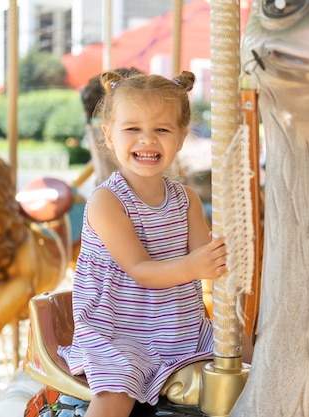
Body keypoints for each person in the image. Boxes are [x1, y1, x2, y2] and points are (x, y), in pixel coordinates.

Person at [58, 70, 227, 417]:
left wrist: (227, 255)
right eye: (133, 129)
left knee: (250, 357)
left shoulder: (186, 200)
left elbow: (204, 260)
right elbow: (140, 270)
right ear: (109, 134)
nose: (147, 140)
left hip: (182, 328)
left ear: (181, 137)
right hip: (120, 332)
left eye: (162, 130)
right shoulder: (107, 201)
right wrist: (197, 265)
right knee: (118, 390)